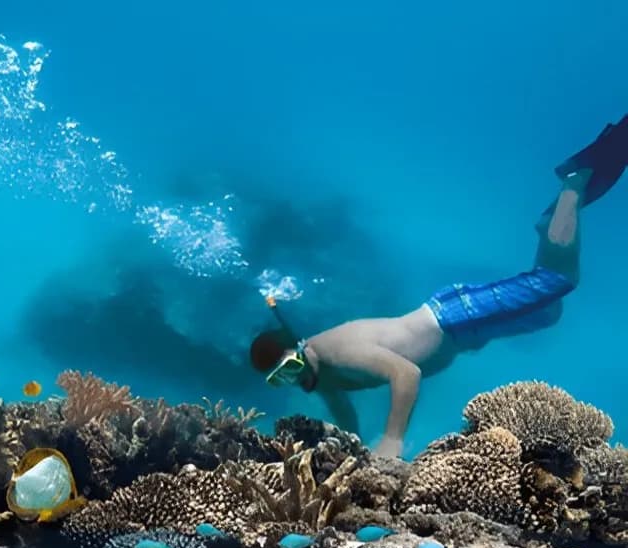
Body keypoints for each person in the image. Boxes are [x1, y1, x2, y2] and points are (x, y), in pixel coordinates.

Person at [249, 115, 628, 459]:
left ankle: (573, 182)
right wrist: (353, 454)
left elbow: (406, 373)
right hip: (463, 332)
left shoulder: (337, 353)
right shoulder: (319, 377)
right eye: (281, 378)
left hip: (454, 316)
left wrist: (392, 440)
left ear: (301, 346)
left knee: (558, 280)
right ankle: (552, 220)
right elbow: (343, 412)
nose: (294, 378)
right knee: (548, 312)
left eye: (291, 366)